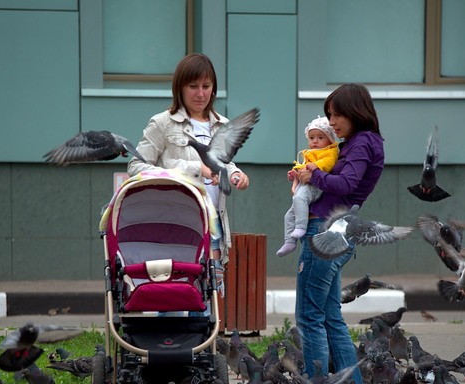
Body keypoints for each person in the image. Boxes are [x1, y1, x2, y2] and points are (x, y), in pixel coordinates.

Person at [293, 83, 385, 384]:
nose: (330, 122)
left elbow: (346, 185)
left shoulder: (361, 143)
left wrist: (311, 177)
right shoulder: (362, 142)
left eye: (336, 115)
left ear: (354, 112)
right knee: (331, 314)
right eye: (329, 115)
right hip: (338, 230)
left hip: (325, 232)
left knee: (310, 315)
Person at [127, 53, 250, 291]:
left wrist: (235, 174)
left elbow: (222, 163)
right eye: (193, 86)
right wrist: (193, 170)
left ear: (213, 89)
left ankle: (202, 330)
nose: (200, 93)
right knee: (171, 294)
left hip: (212, 223)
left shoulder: (221, 124)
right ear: (180, 88)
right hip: (175, 223)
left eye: (206, 86)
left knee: (206, 296)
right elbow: (135, 167)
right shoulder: (162, 123)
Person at [276, 116, 339, 257]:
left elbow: (329, 163)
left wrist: (316, 166)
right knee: (288, 216)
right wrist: (295, 175)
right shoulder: (310, 153)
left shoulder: (330, 151)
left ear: (330, 139)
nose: (315, 141)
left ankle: (301, 227)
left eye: (320, 137)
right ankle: (289, 241)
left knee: (299, 199)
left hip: (316, 186)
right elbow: (303, 172)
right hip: (305, 186)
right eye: (311, 138)